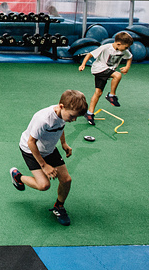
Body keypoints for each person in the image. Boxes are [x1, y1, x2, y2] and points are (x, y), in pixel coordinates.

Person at [9, 89, 89, 226]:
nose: (74, 120)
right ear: (62, 106)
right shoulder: (44, 119)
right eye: (72, 116)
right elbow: (31, 142)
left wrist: (63, 143)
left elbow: (61, 126)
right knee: (44, 185)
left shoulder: (63, 114)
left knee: (66, 179)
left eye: (76, 117)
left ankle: (59, 207)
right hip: (31, 150)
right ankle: (18, 177)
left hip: (49, 148)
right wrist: (44, 165)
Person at [78, 31, 133, 125]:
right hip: (99, 69)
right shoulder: (106, 47)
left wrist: (127, 67)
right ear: (119, 44)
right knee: (117, 75)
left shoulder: (124, 50)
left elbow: (129, 57)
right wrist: (83, 64)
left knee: (98, 93)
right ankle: (111, 95)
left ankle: (89, 113)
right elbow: (90, 54)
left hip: (107, 71)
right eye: (126, 47)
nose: (126, 49)